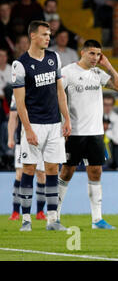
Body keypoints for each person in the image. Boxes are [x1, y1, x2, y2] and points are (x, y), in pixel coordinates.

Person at [57, 39, 118, 229]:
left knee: (95, 172)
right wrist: (64, 122)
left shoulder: (98, 73)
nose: (95, 58)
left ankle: (97, 219)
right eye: (92, 53)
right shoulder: (68, 72)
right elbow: (57, 98)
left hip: (95, 133)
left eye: (98, 54)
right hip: (74, 132)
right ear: (83, 52)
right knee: (67, 172)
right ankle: (54, 215)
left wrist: (108, 65)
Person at [12, 20, 71, 231]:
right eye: (45, 34)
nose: (48, 38)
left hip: (54, 124)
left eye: (49, 34)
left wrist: (67, 119)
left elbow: (60, 92)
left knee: (52, 169)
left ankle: (53, 219)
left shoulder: (54, 58)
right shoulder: (20, 65)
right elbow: (19, 102)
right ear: (33, 36)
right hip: (34, 123)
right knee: (28, 169)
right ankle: (26, 220)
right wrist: (27, 129)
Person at [7, 94, 47, 221]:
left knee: (41, 174)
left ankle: (40, 212)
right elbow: (13, 117)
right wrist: (10, 137)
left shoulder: (42, 88)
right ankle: (15, 212)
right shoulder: (18, 93)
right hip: (22, 139)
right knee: (20, 174)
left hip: (42, 138)